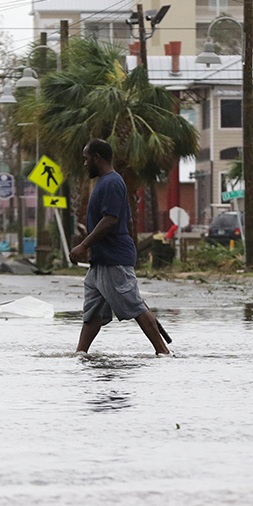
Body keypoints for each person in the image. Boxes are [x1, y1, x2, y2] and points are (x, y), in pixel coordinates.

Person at [69, 138, 169, 355]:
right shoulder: (105, 183)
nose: (84, 164)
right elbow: (128, 220)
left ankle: (163, 353)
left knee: (135, 306)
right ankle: (80, 354)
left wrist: (84, 245)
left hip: (113, 260)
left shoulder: (112, 183)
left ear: (97, 158)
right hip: (101, 260)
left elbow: (111, 219)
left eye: (87, 159)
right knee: (92, 312)